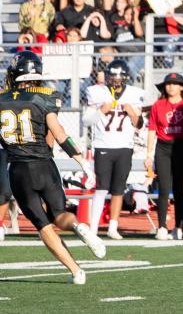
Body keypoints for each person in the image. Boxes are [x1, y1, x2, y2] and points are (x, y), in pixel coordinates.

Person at [0, 51, 107, 285]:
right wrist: (81, 161)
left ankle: (76, 271)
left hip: (19, 169)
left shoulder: (1, 99)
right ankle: (79, 226)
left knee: (43, 225)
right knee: (59, 214)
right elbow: (59, 134)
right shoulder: (45, 96)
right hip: (45, 165)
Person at [84, 59, 143, 241]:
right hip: (103, 145)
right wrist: (101, 111)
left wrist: (132, 113)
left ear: (126, 77)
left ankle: (113, 227)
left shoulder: (134, 94)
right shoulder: (96, 92)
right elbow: (86, 121)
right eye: (113, 76)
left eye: (120, 76)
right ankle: (93, 228)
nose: (116, 80)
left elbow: (139, 124)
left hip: (125, 146)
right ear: (108, 76)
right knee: (101, 188)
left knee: (118, 189)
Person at [145, 71, 183, 240]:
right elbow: (152, 130)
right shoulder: (158, 105)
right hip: (163, 148)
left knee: (179, 189)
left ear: (181, 87)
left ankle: (179, 226)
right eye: (168, 84)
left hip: (181, 146)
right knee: (164, 189)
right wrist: (149, 154)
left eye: (175, 83)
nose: (171, 87)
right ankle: (162, 226)